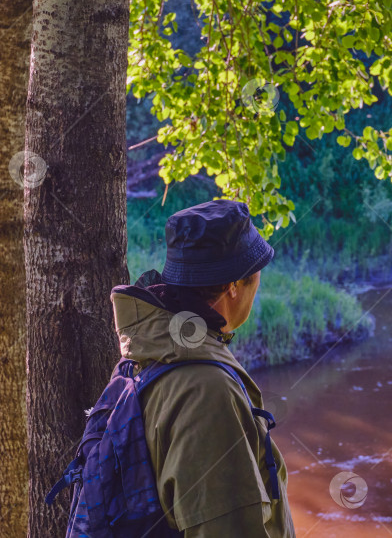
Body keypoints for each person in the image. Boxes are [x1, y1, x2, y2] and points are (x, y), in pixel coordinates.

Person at [109, 199, 296, 537]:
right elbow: (226, 526)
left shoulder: (145, 353)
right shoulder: (208, 391)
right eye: (256, 276)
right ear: (234, 286)